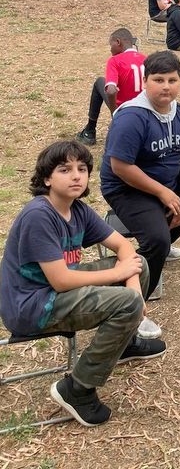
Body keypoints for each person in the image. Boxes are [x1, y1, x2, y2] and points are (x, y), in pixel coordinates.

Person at [0, 140, 165, 428]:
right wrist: (126, 289)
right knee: (125, 295)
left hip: (55, 293)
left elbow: (123, 248)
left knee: (140, 265)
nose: (76, 175)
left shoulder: (78, 210)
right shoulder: (39, 215)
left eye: (82, 169)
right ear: (47, 178)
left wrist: (135, 289)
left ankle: (123, 342)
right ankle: (77, 389)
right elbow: (62, 280)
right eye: (65, 169)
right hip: (33, 306)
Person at [100, 50, 180, 340]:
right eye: (158, 79)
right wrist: (162, 192)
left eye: (172, 79)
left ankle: (155, 255)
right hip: (126, 189)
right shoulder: (132, 117)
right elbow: (120, 167)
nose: (166, 86)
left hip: (163, 186)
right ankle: (132, 307)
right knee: (156, 237)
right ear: (145, 81)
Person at [76, 28, 146, 147]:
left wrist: (115, 113)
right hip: (144, 108)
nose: (110, 48)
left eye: (111, 44)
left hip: (125, 110)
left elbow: (111, 90)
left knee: (99, 82)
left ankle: (90, 131)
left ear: (118, 42)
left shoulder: (115, 60)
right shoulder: (145, 58)